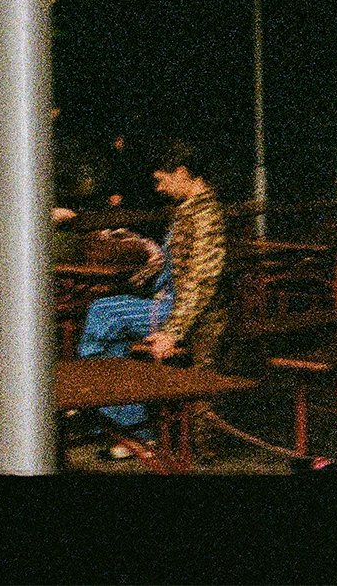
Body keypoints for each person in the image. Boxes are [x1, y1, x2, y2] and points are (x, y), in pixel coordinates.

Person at [75, 140, 228, 458]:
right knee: (106, 320)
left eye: (162, 179)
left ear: (182, 173)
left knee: (102, 314)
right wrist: (146, 264)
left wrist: (172, 331)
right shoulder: (193, 210)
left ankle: (128, 425)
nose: (159, 188)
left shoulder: (204, 217)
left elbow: (201, 282)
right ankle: (118, 417)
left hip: (184, 310)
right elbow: (179, 265)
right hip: (173, 300)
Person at [0, 109, 75, 444]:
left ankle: (31, 408)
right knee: (4, 319)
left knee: (28, 319)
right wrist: (41, 212)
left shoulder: (41, 145)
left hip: (25, 235)